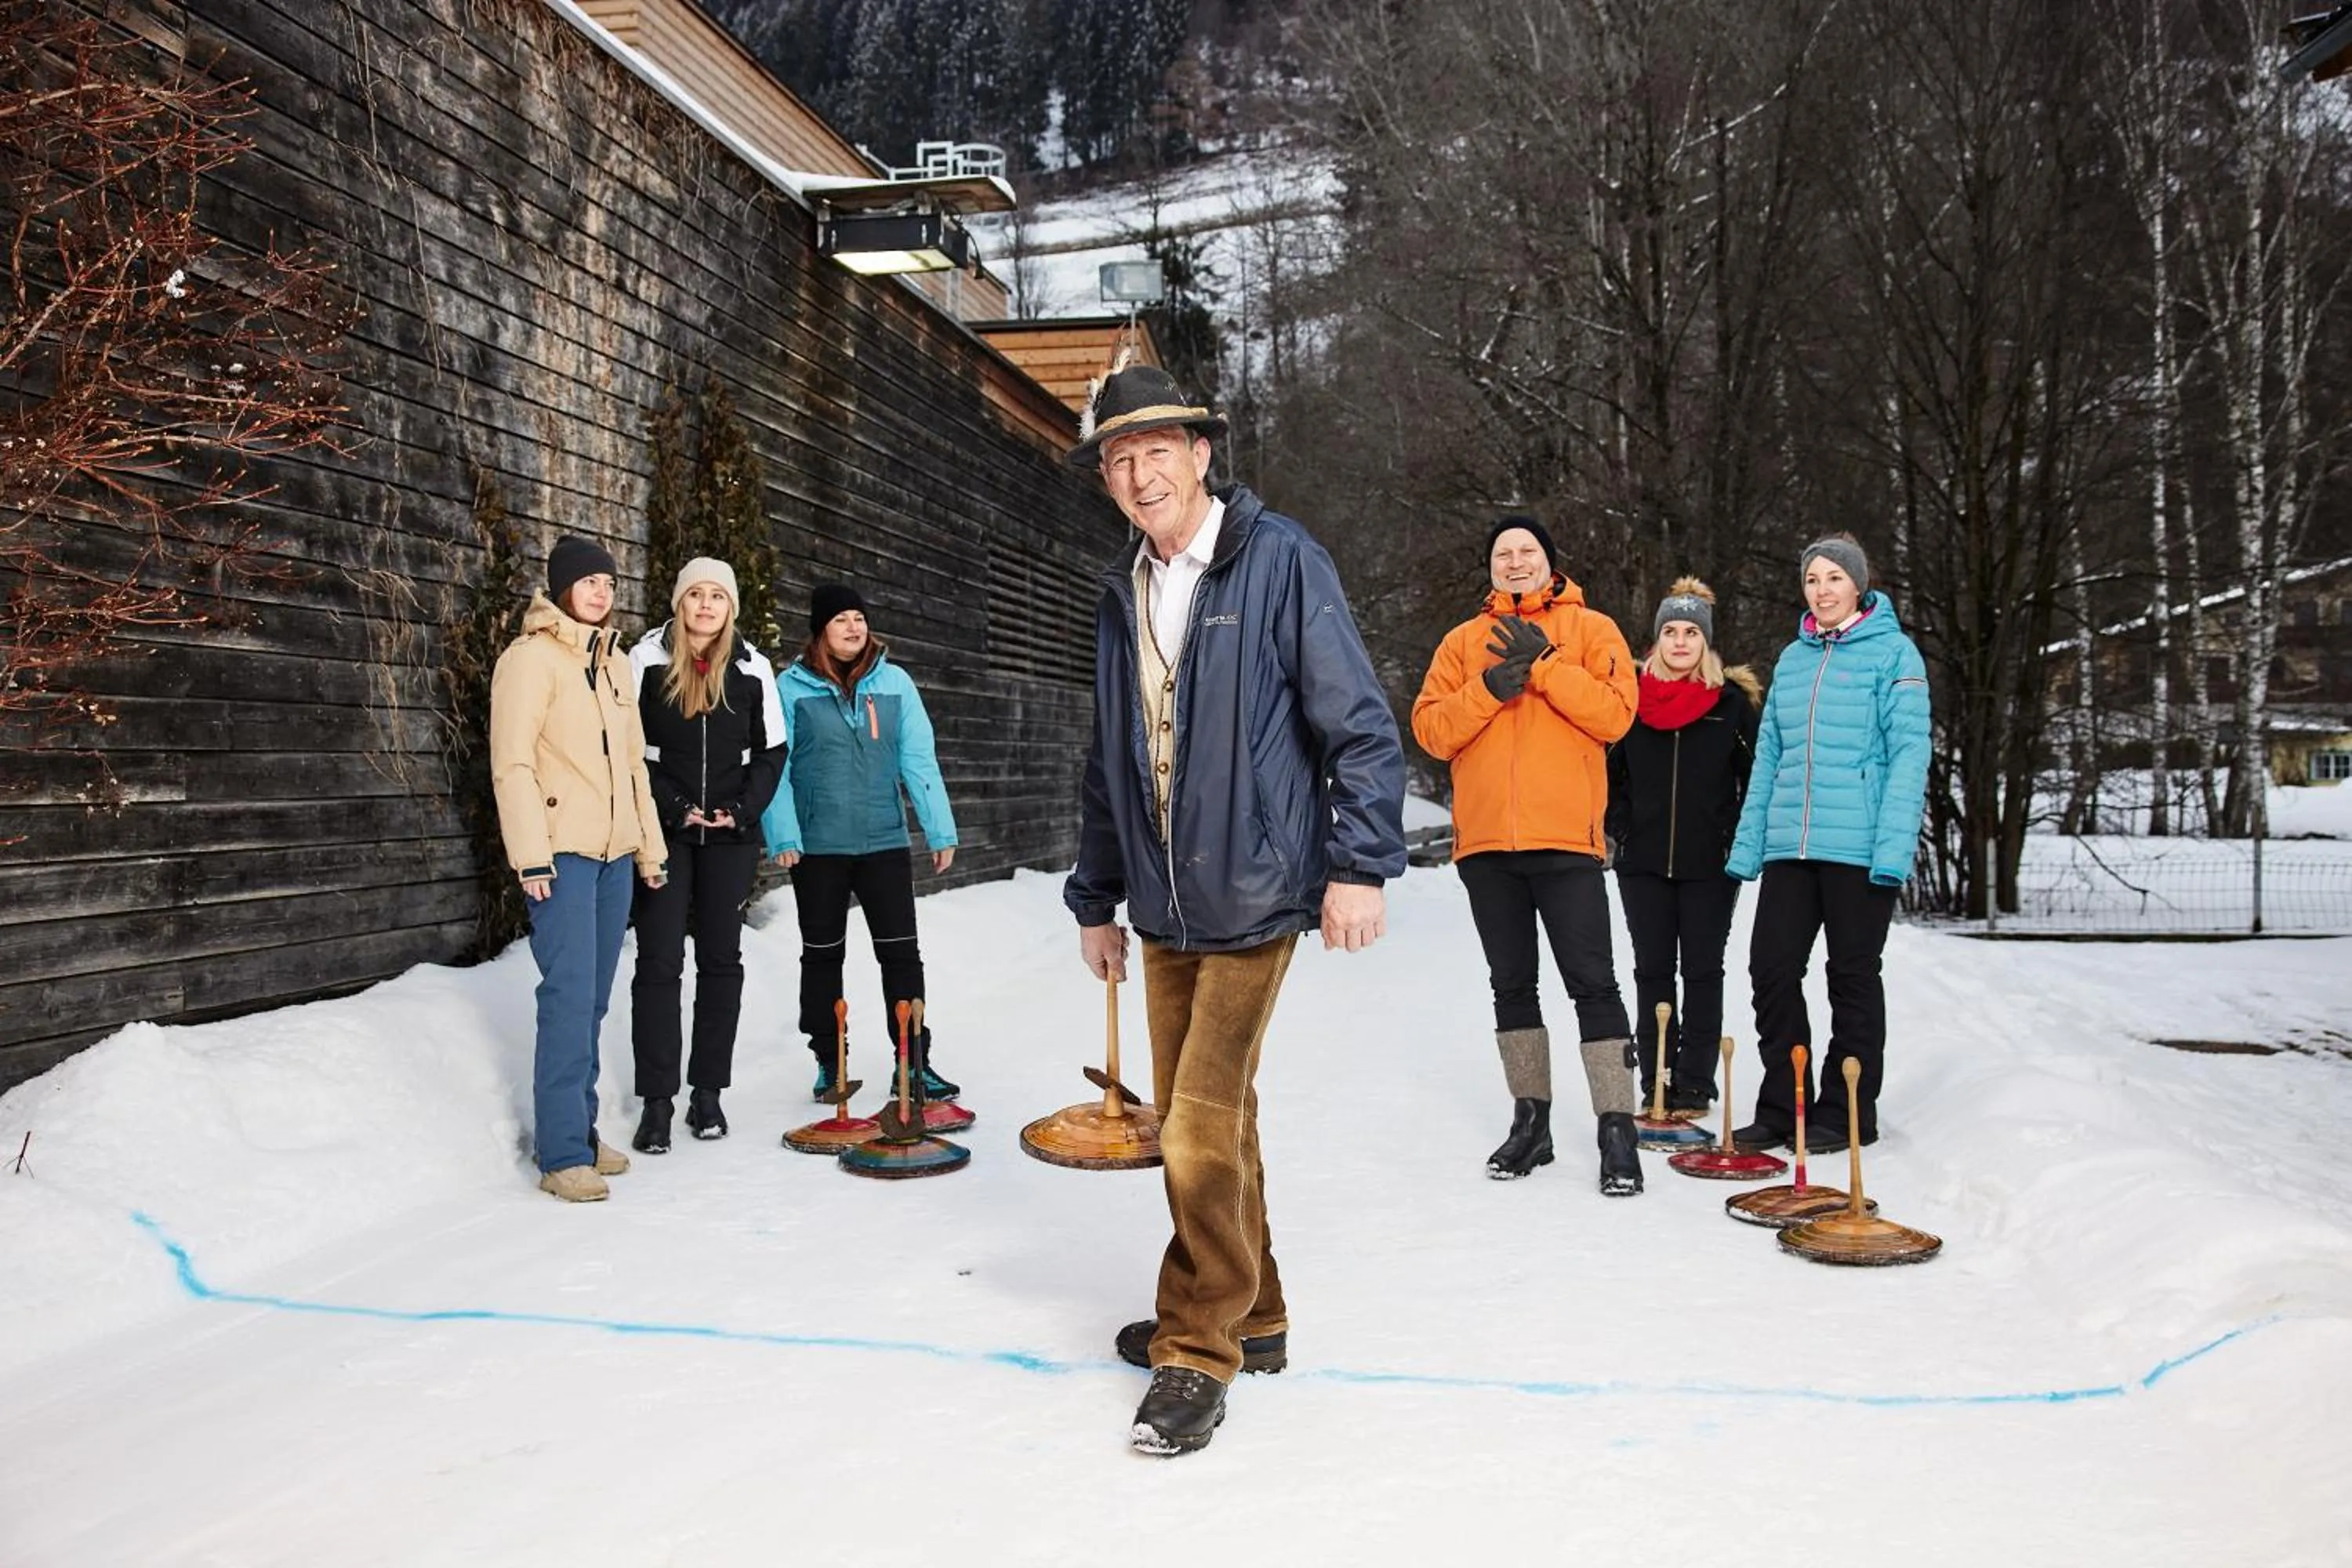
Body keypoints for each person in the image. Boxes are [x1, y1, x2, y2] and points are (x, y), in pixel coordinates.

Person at [1064, 364, 1405, 1457]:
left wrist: (1360, 864)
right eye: (1119, 458)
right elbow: (1109, 762)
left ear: (1202, 455)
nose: (1138, 470)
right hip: (1165, 907)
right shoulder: (1125, 593)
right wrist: (1094, 895)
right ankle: (1255, 1317)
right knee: (1218, 1117)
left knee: (1198, 1119)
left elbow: (1358, 724)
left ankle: (1195, 1349)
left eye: (1157, 449)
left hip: (1259, 892)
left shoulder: (1280, 562)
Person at [1411, 516, 1642, 1194]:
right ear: (1490, 568)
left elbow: (1614, 716)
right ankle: (1531, 1123)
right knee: (1511, 984)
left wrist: (1544, 668)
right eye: (1504, 554)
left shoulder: (1592, 630)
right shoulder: (1461, 642)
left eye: (1528, 551)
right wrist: (1490, 688)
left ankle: (1617, 1130)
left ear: (1550, 561)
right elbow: (1430, 729)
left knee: (1592, 983)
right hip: (1487, 846)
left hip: (1566, 840)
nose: (1516, 562)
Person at [1726, 534, 1930, 1152]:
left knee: (1852, 977)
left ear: (1858, 585)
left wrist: (1892, 852)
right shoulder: (1793, 659)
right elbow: (1770, 758)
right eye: (1813, 579)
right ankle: (1784, 1105)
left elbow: (1909, 755)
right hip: (1794, 846)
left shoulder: (1895, 655)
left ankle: (1847, 1112)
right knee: (1771, 970)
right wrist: (1750, 844)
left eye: (1834, 578)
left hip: (1860, 850)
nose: (1822, 589)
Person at [489, 535, 668, 1203]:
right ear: (562, 588)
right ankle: (562, 1153)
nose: (601, 593)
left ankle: (584, 1135)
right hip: (560, 855)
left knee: (592, 1001)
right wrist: (530, 854)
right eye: (589, 582)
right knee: (567, 999)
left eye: (610, 584)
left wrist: (649, 849)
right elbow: (512, 764)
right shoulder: (530, 661)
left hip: (615, 855)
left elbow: (631, 766)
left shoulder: (614, 663)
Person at [759, 583, 960, 1105]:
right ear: (820, 629)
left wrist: (939, 828)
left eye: (859, 618)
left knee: (901, 956)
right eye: (841, 619)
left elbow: (918, 759)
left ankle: (913, 1063)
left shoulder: (894, 683)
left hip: (883, 843)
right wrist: (782, 832)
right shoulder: (790, 688)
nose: (854, 627)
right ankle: (831, 1062)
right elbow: (774, 767)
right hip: (817, 847)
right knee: (822, 956)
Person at [625, 557, 787, 1152]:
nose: (705, 605)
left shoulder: (752, 667)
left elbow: (772, 751)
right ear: (679, 601)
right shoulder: (644, 660)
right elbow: (631, 749)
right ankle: (658, 1101)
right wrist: (672, 807)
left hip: (729, 837)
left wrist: (741, 811)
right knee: (659, 963)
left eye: (717, 595)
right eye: (695, 593)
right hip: (663, 834)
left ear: (731, 607)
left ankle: (708, 1092)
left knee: (721, 962)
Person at [1604, 579, 1760, 1113]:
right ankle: (1658, 1080)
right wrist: (1621, 825)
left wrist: (1731, 832)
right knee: (1651, 970)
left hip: (1709, 866)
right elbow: (1609, 777)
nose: (1679, 641)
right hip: (1642, 862)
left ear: (1706, 642)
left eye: (1691, 631)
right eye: (1670, 631)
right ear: (1656, 640)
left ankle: (1694, 1083)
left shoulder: (1731, 704)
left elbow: (1756, 777)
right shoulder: (1629, 698)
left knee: (1702, 970)